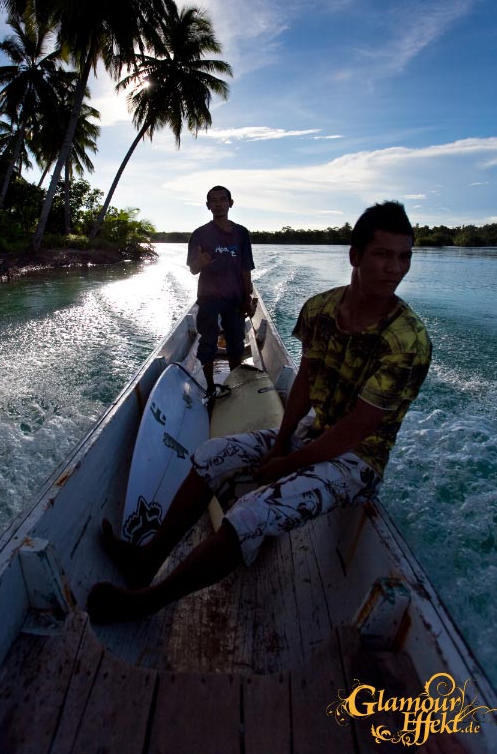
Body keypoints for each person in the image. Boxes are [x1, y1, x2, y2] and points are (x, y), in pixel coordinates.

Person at [88, 201, 432, 622]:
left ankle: (150, 601)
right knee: (210, 455)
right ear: (355, 256)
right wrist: (282, 441)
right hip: (313, 431)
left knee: (251, 511)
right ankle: (147, 558)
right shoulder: (322, 309)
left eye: (404, 257)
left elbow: (358, 429)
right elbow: (304, 381)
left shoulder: (407, 341)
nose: (395, 268)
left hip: (359, 459)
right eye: (383, 254)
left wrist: (287, 462)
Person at [186, 186, 255, 397]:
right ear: (208, 206)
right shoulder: (199, 234)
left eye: (222, 199)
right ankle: (209, 387)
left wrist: (248, 297)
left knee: (235, 343)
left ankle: (233, 384)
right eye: (213, 200)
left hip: (234, 298)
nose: (218, 203)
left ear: (230, 203)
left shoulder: (242, 233)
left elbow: (246, 269)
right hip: (208, 298)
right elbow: (193, 269)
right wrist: (201, 261)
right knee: (208, 342)